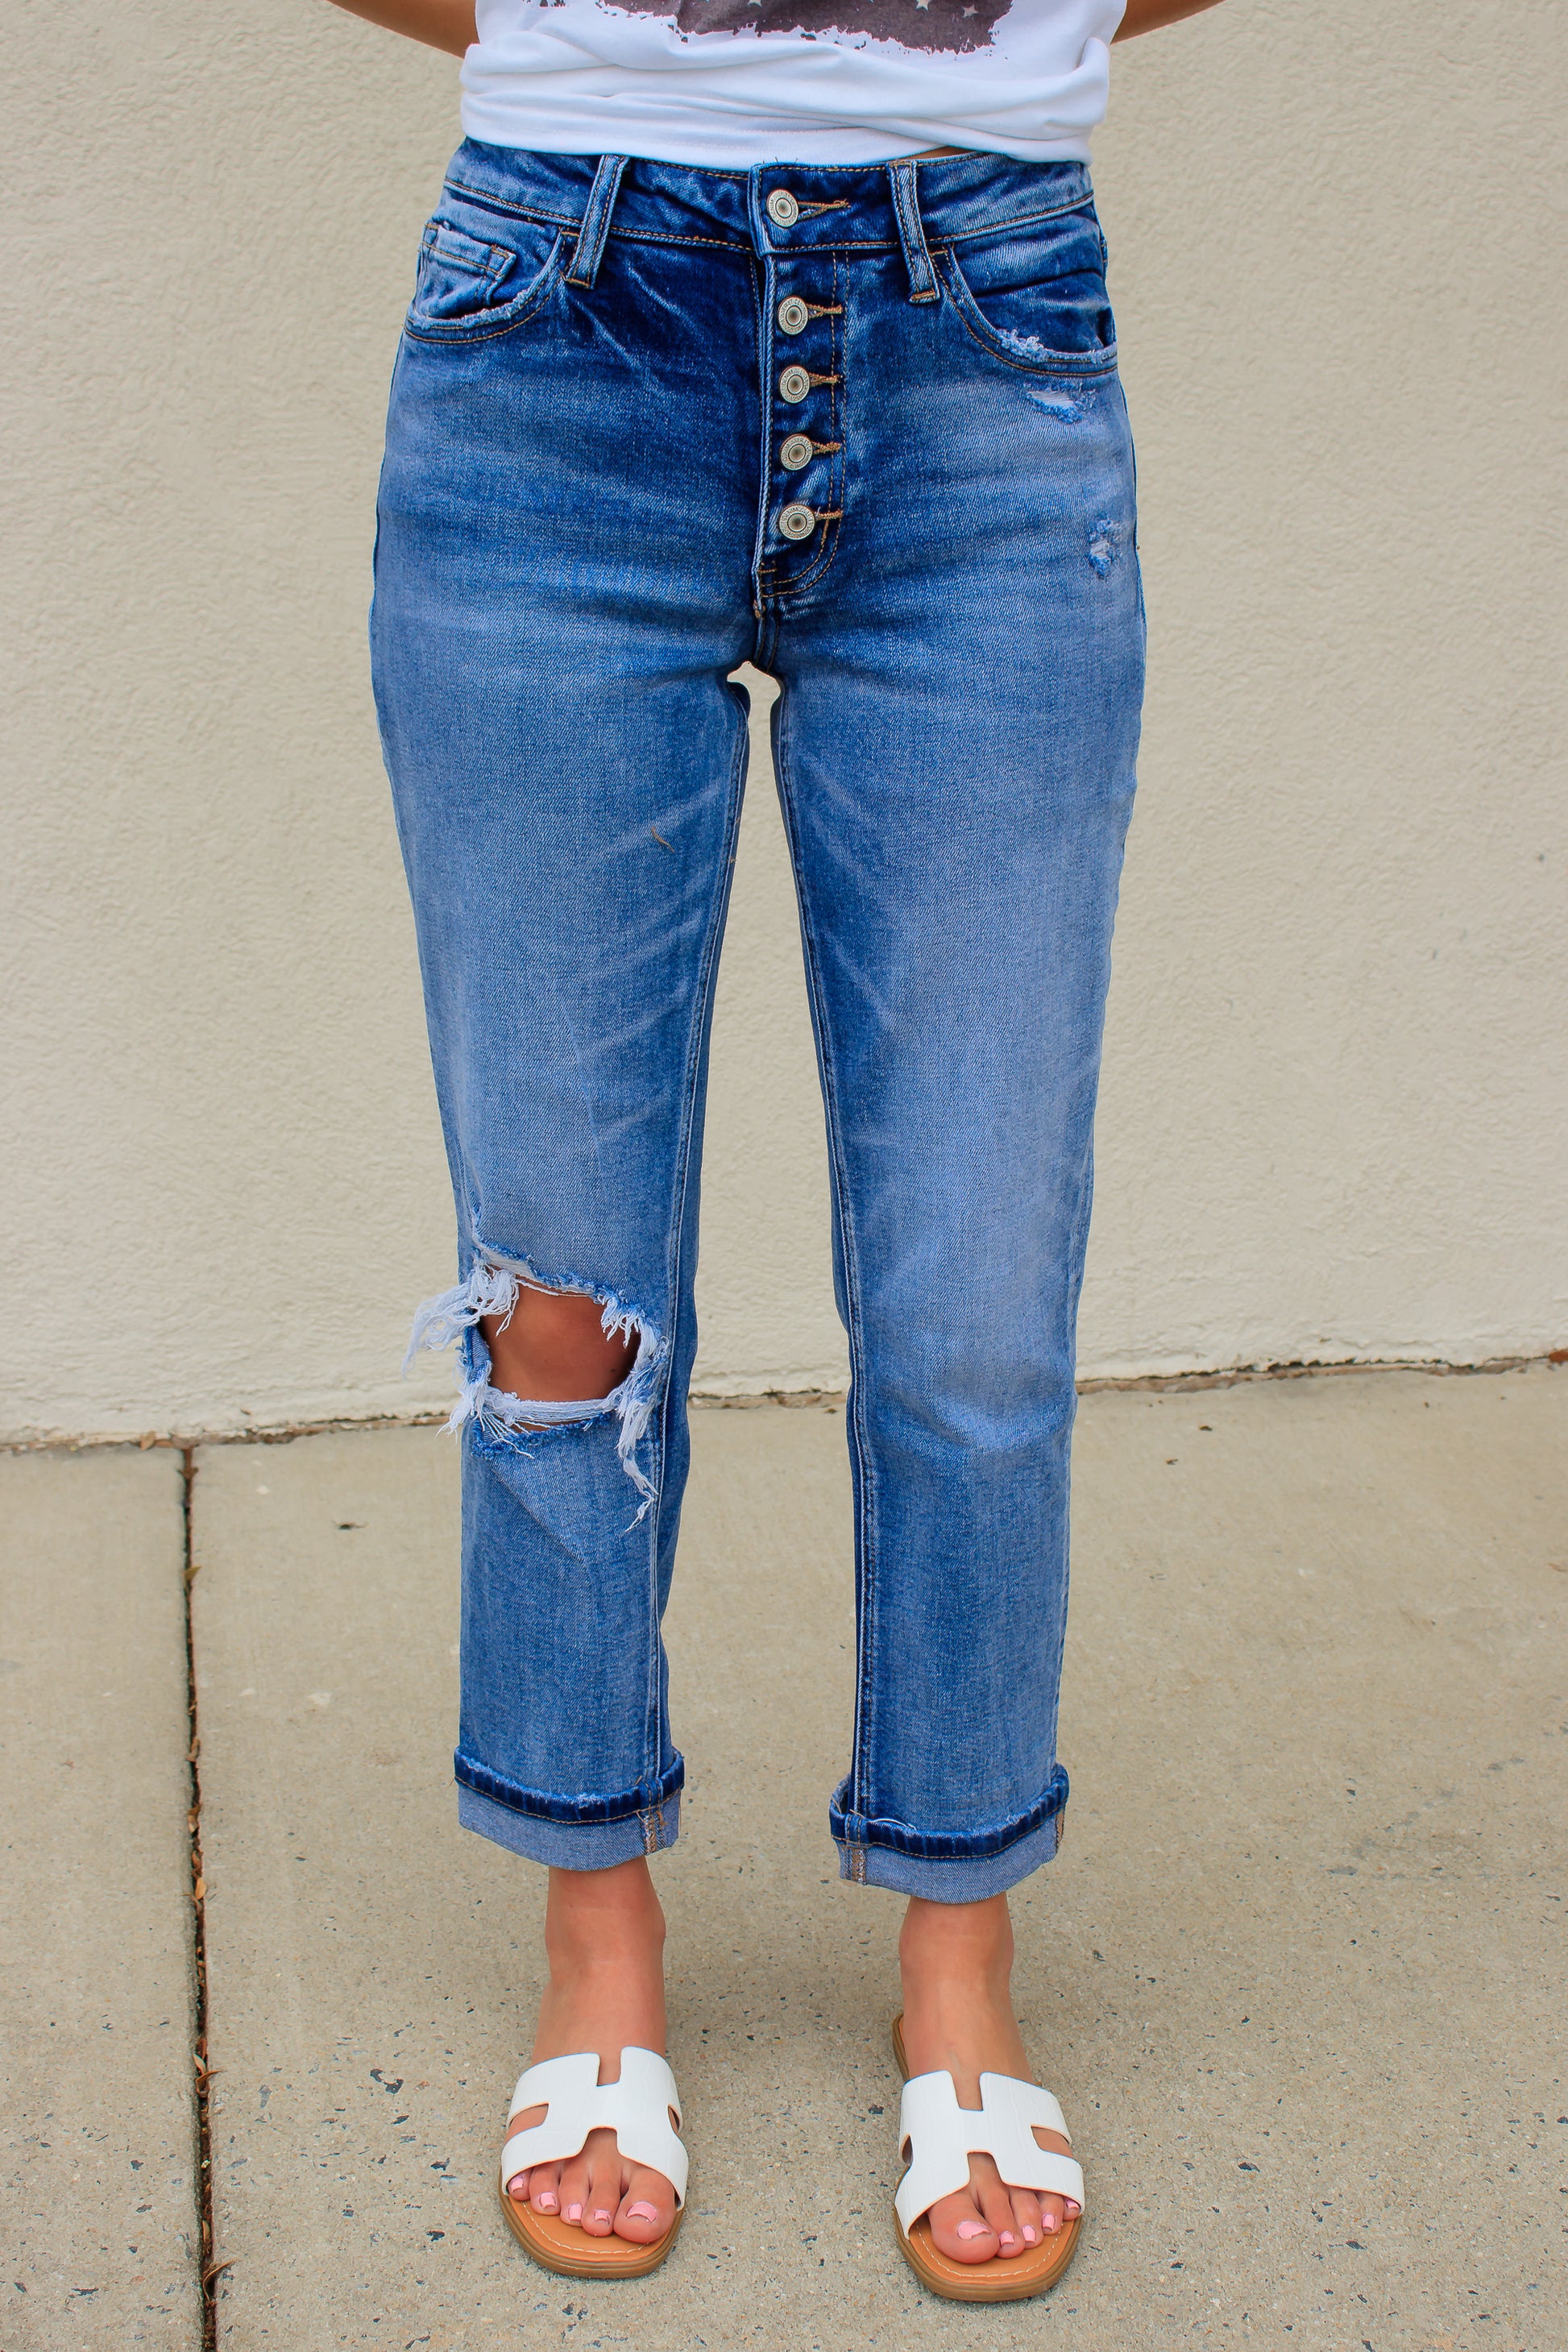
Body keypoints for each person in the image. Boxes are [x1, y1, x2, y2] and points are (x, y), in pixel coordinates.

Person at [333, 0, 1223, 2300]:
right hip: (557, 330)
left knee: (974, 1285)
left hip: (980, 329)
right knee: (556, 1283)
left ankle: (959, 1952)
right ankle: (596, 1927)